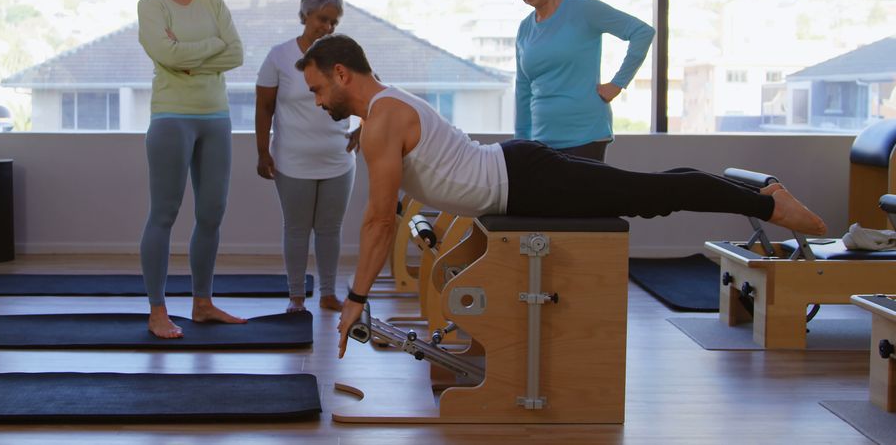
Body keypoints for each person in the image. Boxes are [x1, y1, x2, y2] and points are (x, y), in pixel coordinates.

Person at [292, 34, 828, 358]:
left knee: (650, 194)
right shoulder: (381, 112)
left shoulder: (384, 118)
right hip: (516, 177)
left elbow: (378, 221)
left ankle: (766, 200)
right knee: (649, 191)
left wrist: (357, 300)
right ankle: (762, 195)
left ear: (342, 74)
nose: (317, 101)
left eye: (318, 88)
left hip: (525, 180)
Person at [136, 0, 246, 338]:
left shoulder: (214, 4)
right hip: (171, 116)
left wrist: (187, 57)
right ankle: (158, 309)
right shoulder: (152, 6)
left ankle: (202, 303)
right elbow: (164, 52)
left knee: (212, 213)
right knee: (164, 213)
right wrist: (209, 48)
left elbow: (235, 53)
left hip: (216, 115)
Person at [255, 0, 358, 313]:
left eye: (334, 22)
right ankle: (296, 298)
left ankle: (328, 294)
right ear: (305, 16)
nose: (327, 27)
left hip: (338, 161)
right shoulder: (280, 56)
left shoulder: (345, 55)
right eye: (322, 19)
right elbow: (264, 106)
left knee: (329, 229)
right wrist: (262, 152)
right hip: (292, 160)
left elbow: (370, 95)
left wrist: (363, 129)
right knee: (297, 229)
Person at [507, 0, 655, 162]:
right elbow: (523, 88)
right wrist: (520, 142)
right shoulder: (525, 28)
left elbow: (642, 32)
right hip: (541, 140)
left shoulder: (583, 9)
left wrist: (617, 84)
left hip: (585, 136)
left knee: (583, 198)